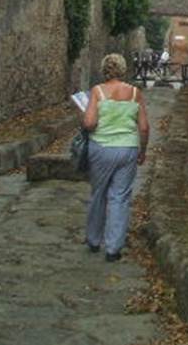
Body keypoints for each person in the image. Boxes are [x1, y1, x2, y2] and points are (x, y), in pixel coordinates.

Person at [81, 53, 149, 261]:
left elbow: (90, 123)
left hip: (101, 148)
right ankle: (113, 249)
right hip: (127, 149)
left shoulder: (97, 91)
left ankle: (93, 240)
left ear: (104, 69)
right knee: (120, 197)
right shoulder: (135, 93)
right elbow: (144, 127)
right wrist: (142, 150)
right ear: (123, 69)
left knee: (98, 193)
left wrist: (85, 114)